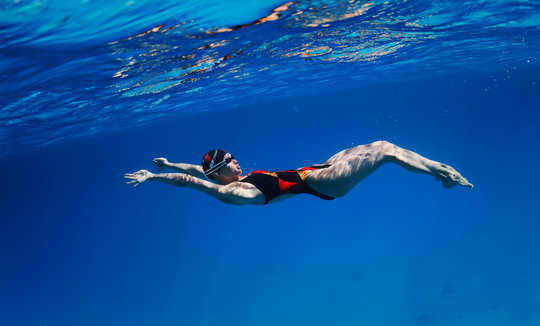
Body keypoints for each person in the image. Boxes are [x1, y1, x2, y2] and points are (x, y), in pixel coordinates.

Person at [124, 140, 473, 205]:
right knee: (384, 150)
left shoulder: (226, 177)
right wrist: (152, 177)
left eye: (233, 155)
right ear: (219, 174)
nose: (236, 160)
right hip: (325, 186)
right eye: (229, 160)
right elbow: (191, 180)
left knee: (368, 145)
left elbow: (191, 169)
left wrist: (170, 163)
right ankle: (443, 172)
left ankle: (440, 176)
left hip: (315, 169)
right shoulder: (232, 191)